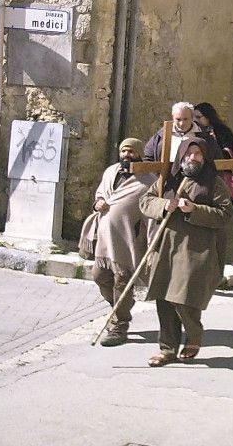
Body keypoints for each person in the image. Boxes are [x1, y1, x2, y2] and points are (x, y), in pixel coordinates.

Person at [139, 137, 233, 366]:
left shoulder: (213, 183)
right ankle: (167, 349)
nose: (193, 158)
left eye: (198, 154)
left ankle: (193, 335)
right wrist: (163, 205)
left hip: (196, 250)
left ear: (205, 157)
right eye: (189, 154)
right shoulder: (168, 180)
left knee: (184, 298)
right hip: (167, 247)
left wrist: (194, 209)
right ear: (181, 156)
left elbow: (225, 214)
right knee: (164, 297)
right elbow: (145, 201)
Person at [79, 137, 157, 347]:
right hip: (104, 241)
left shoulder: (148, 180)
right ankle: (122, 305)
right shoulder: (111, 172)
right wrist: (98, 203)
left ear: (139, 154)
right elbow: (100, 194)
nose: (127, 155)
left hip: (127, 242)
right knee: (99, 276)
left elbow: (152, 211)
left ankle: (119, 325)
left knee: (122, 282)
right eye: (124, 151)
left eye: (131, 152)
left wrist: (151, 243)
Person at [143, 101, 215, 162]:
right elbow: (149, 158)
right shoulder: (161, 135)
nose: (182, 123)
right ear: (173, 117)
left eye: (185, 119)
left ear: (192, 118)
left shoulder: (204, 135)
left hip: (195, 176)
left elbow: (215, 158)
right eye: (178, 119)